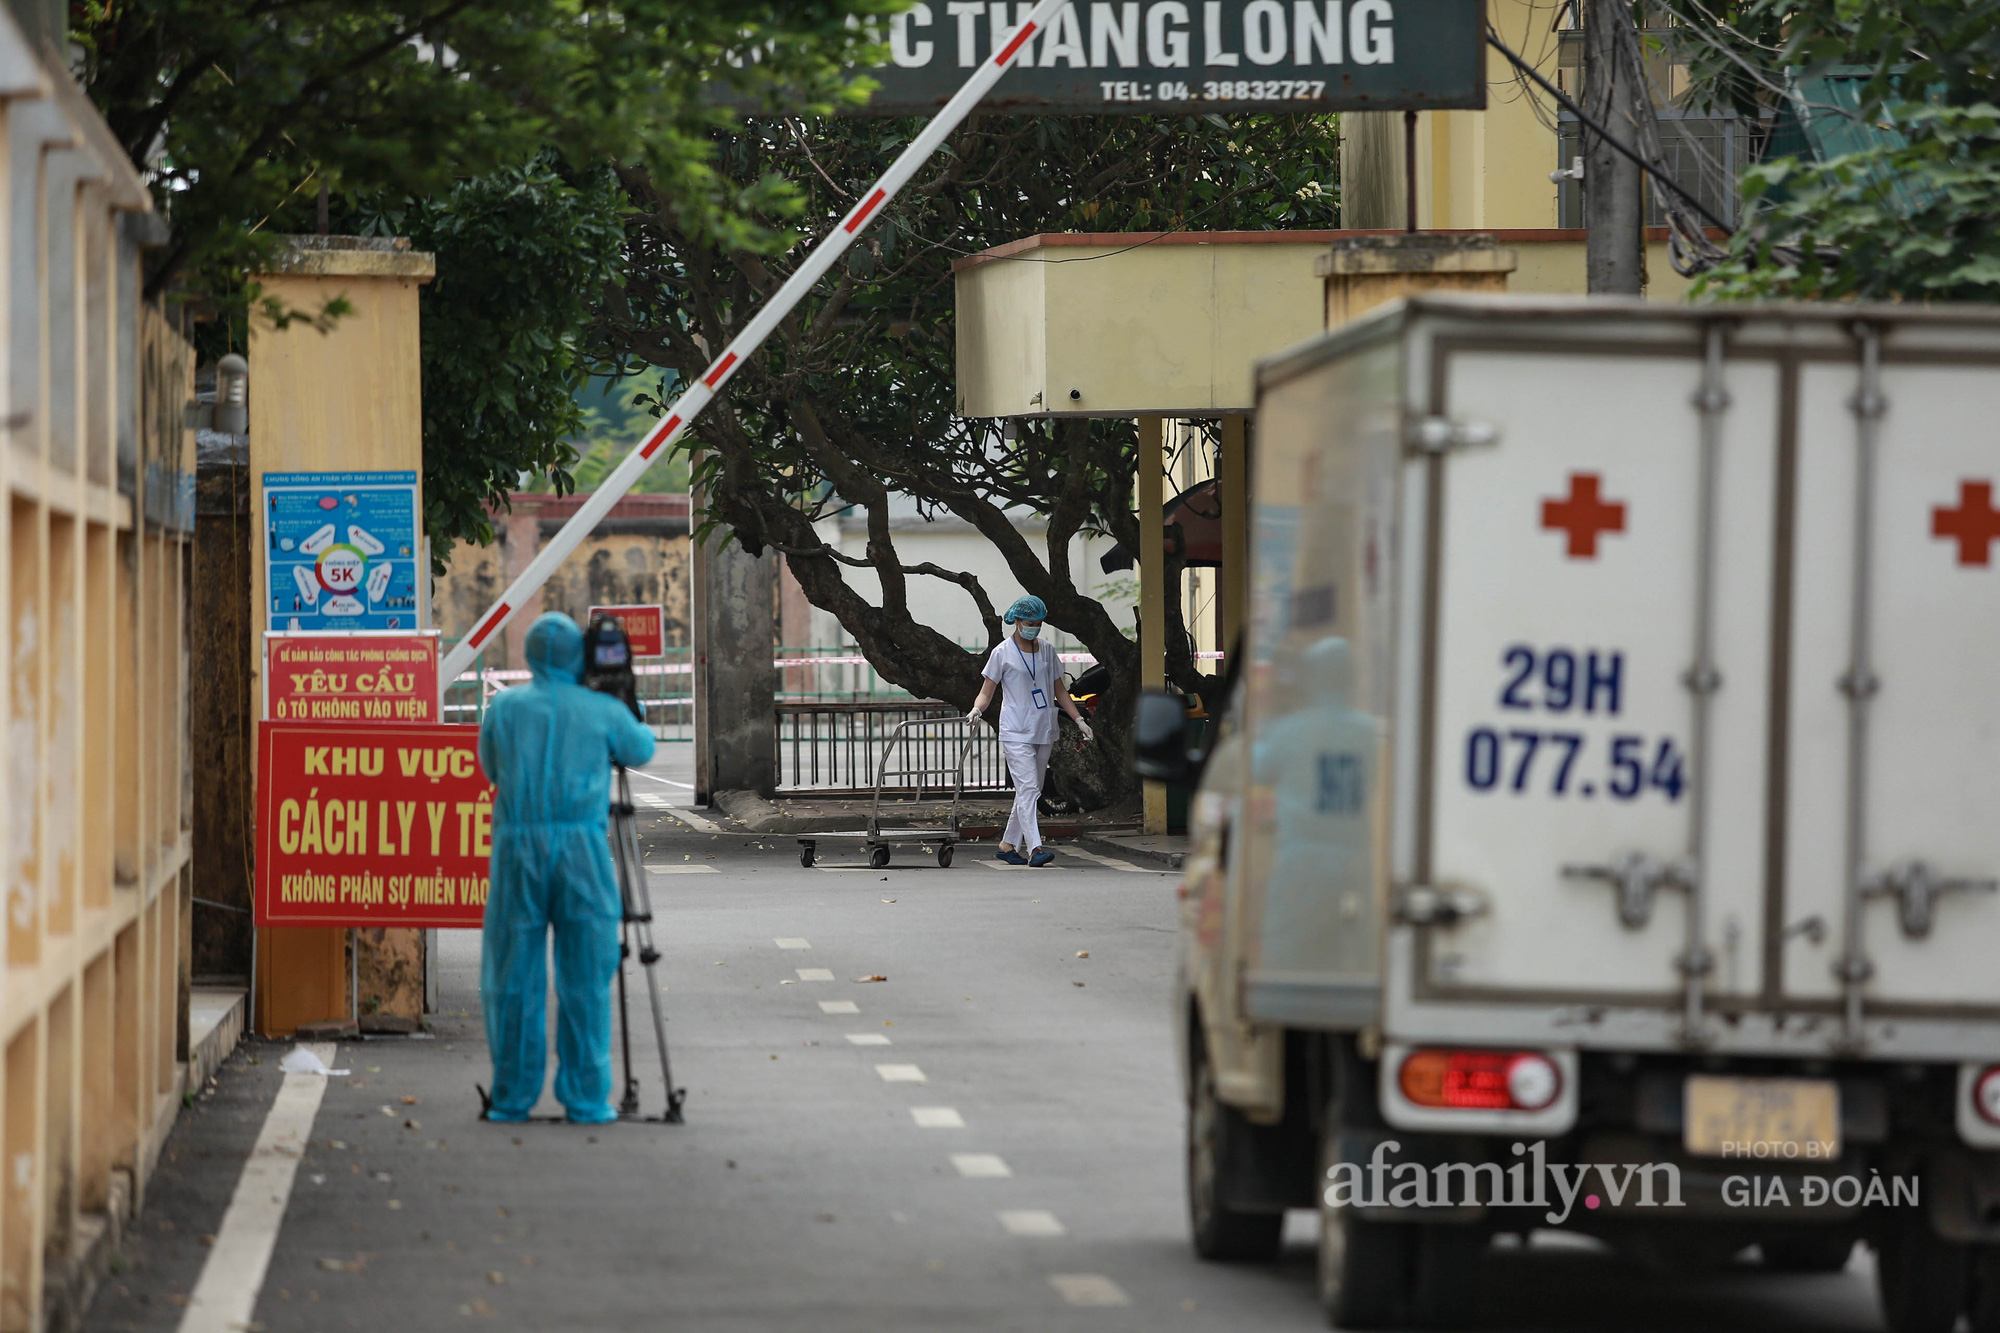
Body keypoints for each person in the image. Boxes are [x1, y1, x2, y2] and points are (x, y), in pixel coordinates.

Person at [477, 612, 655, 1123]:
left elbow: (492, 769)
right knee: (587, 975)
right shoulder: (602, 709)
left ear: (531, 654)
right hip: (582, 849)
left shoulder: (504, 709)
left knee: (513, 975)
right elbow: (641, 748)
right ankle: (586, 1096)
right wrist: (623, 701)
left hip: (518, 851)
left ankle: (511, 1095)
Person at [966, 596, 1093, 866]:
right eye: (1030, 623)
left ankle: (1007, 845)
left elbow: (1060, 690)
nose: (1035, 627)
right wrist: (977, 709)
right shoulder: (1002, 653)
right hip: (1015, 730)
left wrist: (1079, 719)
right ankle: (1035, 848)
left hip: (1043, 727)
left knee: (1030, 790)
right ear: (1017, 621)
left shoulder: (1046, 649)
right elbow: (986, 692)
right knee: (1029, 788)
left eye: (1039, 623)